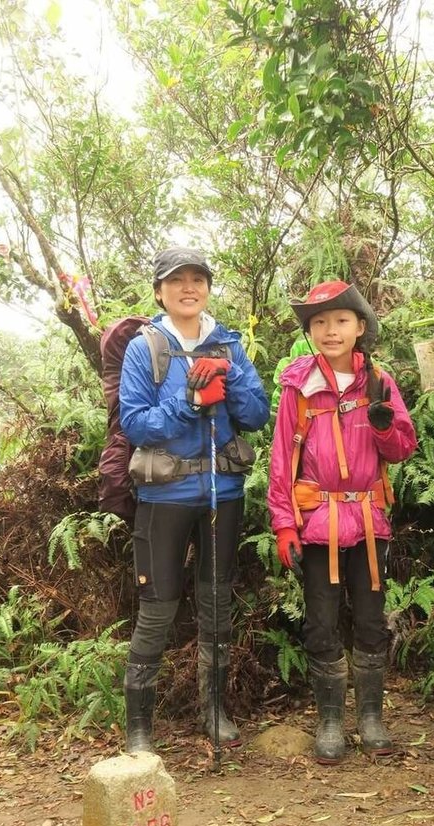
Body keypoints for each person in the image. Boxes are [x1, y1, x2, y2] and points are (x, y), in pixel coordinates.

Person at [119, 247, 269, 753]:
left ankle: (215, 710)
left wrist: (225, 387)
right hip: (164, 495)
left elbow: (255, 415)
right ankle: (139, 729)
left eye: (198, 279)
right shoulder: (145, 347)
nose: (189, 288)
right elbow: (135, 423)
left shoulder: (228, 342)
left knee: (216, 601)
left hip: (221, 493)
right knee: (157, 608)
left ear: (207, 287)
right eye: (176, 280)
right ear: (159, 290)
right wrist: (188, 401)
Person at [267, 281, 417, 764]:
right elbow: (280, 460)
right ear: (310, 331)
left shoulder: (379, 382)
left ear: (360, 327)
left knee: (372, 620)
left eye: (340, 320)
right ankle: (331, 719)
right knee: (320, 621)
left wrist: (382, 424)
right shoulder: (299, 386)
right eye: (319, 322)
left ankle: (371, 716)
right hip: (317, 524)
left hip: (369, 521)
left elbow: (402, 448)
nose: (330, 330)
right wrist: (284, 525)